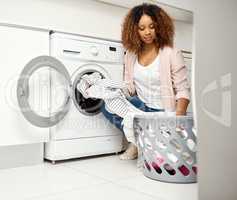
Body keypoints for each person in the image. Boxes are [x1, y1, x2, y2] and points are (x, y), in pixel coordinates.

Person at [101, 3, 190, 160]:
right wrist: (109, 90)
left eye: (152, 27)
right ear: (134, 30)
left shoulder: (171, 53)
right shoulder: (130, 55)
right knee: (106, 105)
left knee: (166, 156)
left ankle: (143, 142)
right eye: (141, 28)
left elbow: (183, 90)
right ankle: (138, 141)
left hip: (163, 113)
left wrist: (178, 119)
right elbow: (129, 88)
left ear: (160, 27)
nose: (147, 32)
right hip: (141, 110)